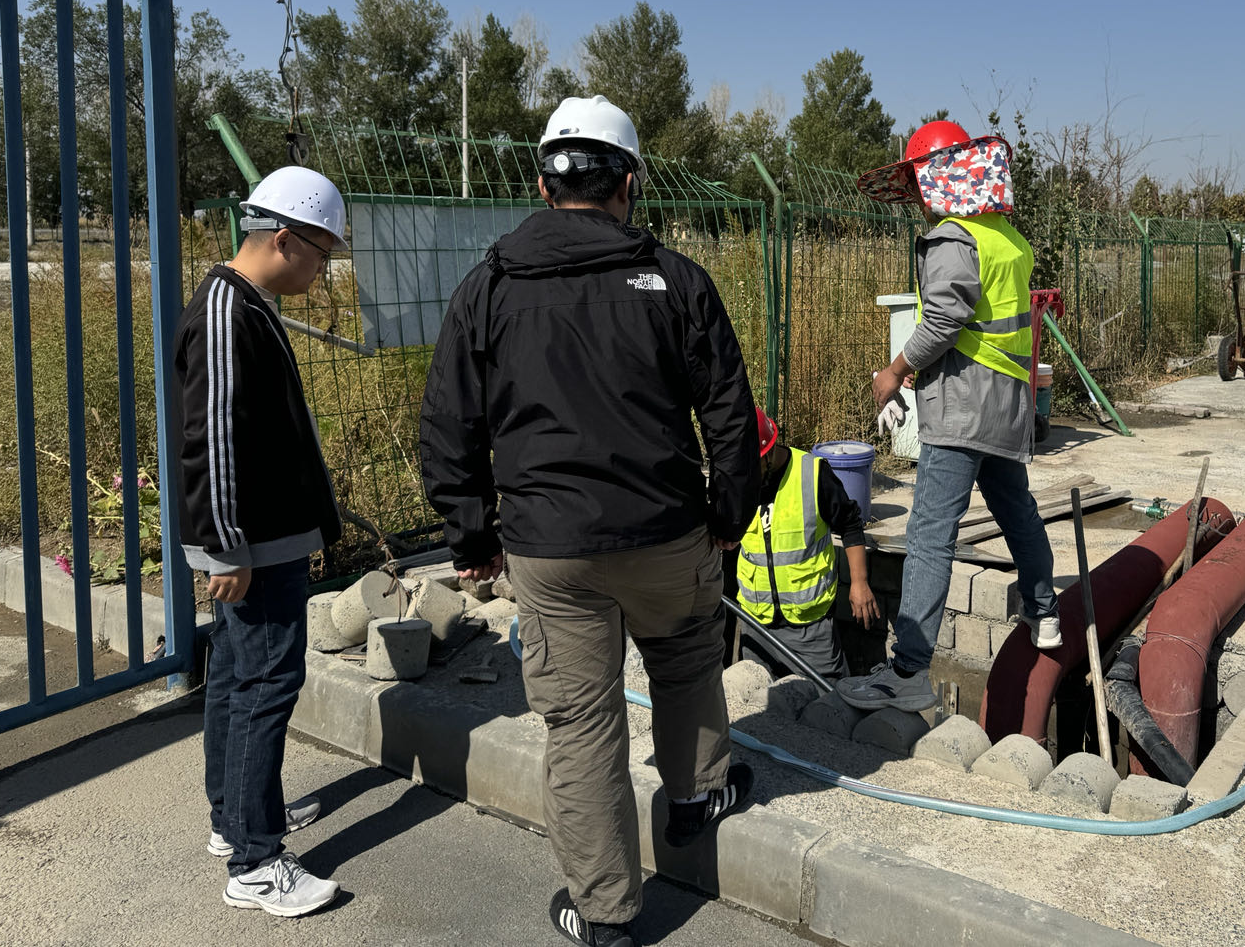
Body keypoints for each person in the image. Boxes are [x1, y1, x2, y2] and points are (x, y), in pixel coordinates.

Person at [419, 95, 760, 947]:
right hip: (667, 533)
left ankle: (606, 915)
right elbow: (728, 411)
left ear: (543, 185)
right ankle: (695, 797)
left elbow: (450, 423)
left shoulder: (490, 285)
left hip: (550, 547)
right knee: (685, 662)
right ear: (629, 183)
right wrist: (730, 511)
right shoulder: (675, 280)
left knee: (580, 724)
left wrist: (471, 535)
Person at [835, 120, 1060, 714]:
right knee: (1016, 509)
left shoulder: (953, 238)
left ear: (939, 178)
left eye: (917, 183)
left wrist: (894, 371)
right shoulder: (1005, 236)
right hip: (1006, 406)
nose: (915, 196)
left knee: (930, 534)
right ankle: (1045, 612)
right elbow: (988, 324)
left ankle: (907, 671)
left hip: (962, 408)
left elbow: (942, 320)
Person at [175, 165, 348, 917]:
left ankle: (237, 817)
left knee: (237, 675)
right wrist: (227, 545)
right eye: (322, 255)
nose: (323, 272)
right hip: (254, 543)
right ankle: (255, 860)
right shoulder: (226, 310)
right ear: (284, 239)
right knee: (263, 684)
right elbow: (210, 436)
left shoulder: (244, 301)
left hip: (263, 537)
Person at [733, 406, 879, 682]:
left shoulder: (812, 473)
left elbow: (849, 523)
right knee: (759, 700)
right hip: (756, 622)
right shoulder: (737, 482)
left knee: (827, 698)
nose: (743, 476)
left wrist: (859, 583)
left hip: (810, 627)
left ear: (767, 453)